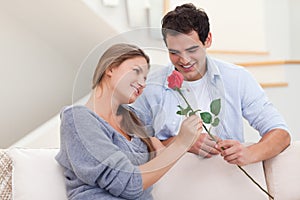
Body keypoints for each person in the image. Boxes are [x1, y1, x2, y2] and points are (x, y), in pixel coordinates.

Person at [131, 3, 291, 166]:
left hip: (227, 179)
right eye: (174, 53)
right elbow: (133, 146)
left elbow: (281, 134)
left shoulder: (237, 79)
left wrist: (250, 153)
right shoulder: (150, 86)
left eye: (192, 50)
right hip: (171, 183)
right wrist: (182, 143)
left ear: (208, 40)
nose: (184, 60)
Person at [55, 43, 202, 199]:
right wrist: (181, 143)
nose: (143, 83)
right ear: (110, 68)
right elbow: (128, 183)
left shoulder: (134, 120)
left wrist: (193, 140)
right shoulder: (79, 119)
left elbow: (162, 155)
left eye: (145, 78)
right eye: (136, 71)